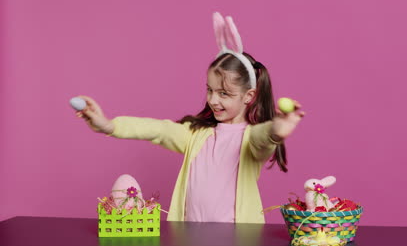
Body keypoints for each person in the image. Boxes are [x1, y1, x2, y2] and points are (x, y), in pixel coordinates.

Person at [74, 12, 305, 223]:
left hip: (237, 240)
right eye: (210, 90)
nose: (213, 100)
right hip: (190, 237)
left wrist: (276, 130)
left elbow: (263, 138)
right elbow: (158, 130)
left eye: (224, 93)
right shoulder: (196, 134)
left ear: (248, 96)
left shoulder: (250, 138)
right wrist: (109, 125)